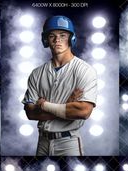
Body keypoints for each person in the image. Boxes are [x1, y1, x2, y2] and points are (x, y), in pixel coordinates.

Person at [22, 15, 98, 156]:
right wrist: (66, 106)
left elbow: (83, 112)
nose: (57, 40)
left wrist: (44, 105)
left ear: (71, 38)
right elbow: (30, 113)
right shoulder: (37, 73)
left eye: (63, 35)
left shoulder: (84, 70)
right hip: (42, 141)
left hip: (68, 142)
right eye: (52, 36)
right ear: (46, 39)